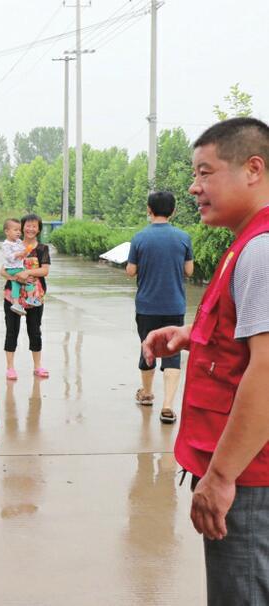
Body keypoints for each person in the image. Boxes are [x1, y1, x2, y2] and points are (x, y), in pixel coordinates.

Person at [143, 117, 269, 605]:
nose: (194, 187)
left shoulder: (260, 250)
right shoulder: (246, 244)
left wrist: (218, 478)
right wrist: (192, 337)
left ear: (253, 169)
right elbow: (243, 348)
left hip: (248, 478)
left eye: (205, 172)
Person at [126, 190, 194, 424]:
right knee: (173, 350)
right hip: (174, 304)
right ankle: (167, 406)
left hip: (147, 305)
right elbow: (189, 271)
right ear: (173, 210)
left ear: (149, 209)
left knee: (149, 346)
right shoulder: (183, 237)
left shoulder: (139, 238)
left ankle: (146, 394)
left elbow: (131, 271)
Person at [0, 214, 51, 381]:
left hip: (34, 296)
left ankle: (37, 366)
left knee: (35, 331)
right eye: (27, 226)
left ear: (39, 229)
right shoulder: (13, 246)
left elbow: (45, 271)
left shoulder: (42, 249)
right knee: (11, 330)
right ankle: (10, 368)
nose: (30, 229)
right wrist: (16, 278)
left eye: (34, 226)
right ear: (21, 228)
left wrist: (27, 272)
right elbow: (2, 271)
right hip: (12, 297)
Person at [1, 218, 39, 316]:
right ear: (7, 232)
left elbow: (23, 251)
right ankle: (30, 298)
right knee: (29, 280)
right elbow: (8, 257)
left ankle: (16, 303)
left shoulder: (18, 241)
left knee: (16, 285)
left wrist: (25, 252)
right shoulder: (6, 244)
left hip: (17, 267)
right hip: (12, 268)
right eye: (15, 230)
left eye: (19, 230)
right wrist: (19, 254)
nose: (18, 232)